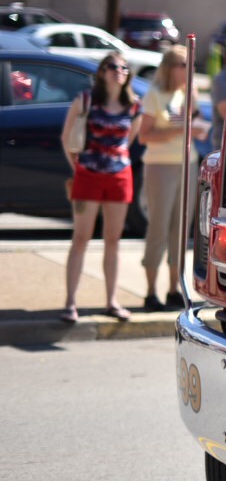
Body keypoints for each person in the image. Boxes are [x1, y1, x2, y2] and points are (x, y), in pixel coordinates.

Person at [59, 52, 141, 323]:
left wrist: (113, 161)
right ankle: (70, 303)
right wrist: (79, 168)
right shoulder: (85, 100)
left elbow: (128, 141)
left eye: (124, 68)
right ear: (102, 72)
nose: (119, 71)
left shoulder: (133, 105)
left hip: (119, 177)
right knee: (81, 238)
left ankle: (111, 301)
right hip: (88, 175)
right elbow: (67, 137)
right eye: (113, 67)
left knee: (113, 241)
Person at [137, 46, 202, 311]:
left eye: (191, 65)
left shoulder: (187, 93)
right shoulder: (154, 95)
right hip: (160, 166)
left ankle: (174, 288)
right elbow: (144, 136)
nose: (189, 70)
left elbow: (193, 121)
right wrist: (181, 131)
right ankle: (150, 292)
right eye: (184, 64)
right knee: (159, 228)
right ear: (171, 67)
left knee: (181, 230)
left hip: (187, 163)